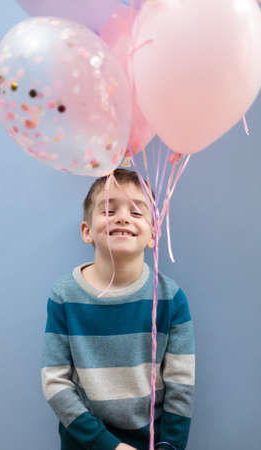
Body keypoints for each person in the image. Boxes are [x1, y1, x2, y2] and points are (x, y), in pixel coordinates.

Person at [41, 168, 195, 450]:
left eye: (137, 213)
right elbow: (56, 382)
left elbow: (180, 386)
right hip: (85, 443)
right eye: (109, 211)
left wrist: (169, 446)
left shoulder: (171, 298)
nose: (123, 217)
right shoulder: (64, 295)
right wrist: (107, 445)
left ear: (153, 233)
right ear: (87, 231)